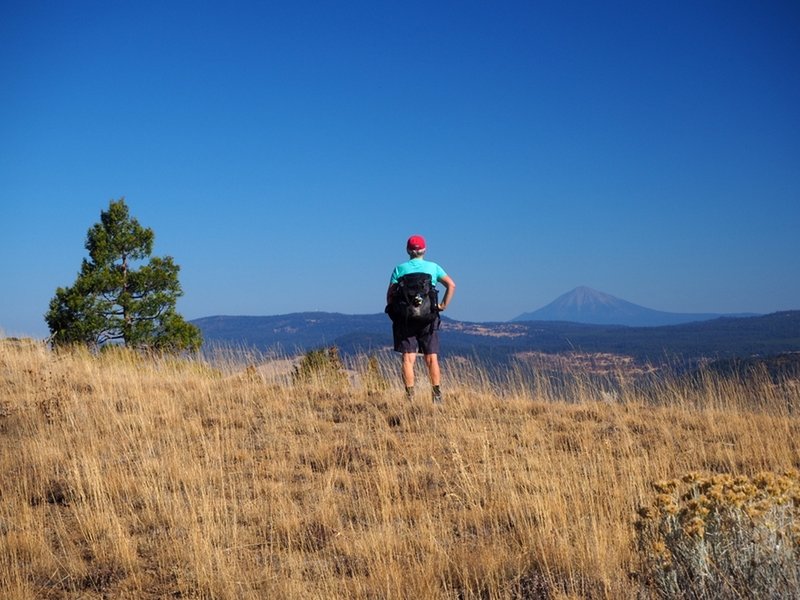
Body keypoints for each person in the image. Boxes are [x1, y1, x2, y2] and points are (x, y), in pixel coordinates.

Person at [386, 235, 456, 404]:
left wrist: (396, 310)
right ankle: (437, 395)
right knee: (431, 358)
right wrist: (443, 305)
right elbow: (451, 285)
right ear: (424, 250)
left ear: (408, 250)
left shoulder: (399, 269)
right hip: (428, 317)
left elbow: (390, 295)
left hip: (406, 319)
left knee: (408, 359)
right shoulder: (433, 267)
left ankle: (410, 396)